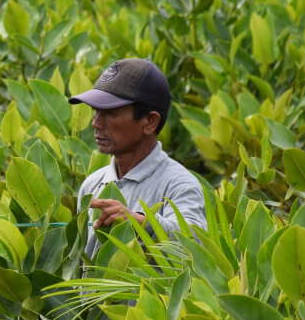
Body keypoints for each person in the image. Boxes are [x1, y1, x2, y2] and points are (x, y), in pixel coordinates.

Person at [69, 58, 206, 258]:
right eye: (95, 111)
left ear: (150, 122)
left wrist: (140, 223)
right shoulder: (91, 186)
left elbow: (196, 243)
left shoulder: (179, 185)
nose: (96, 123)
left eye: (110, 113)